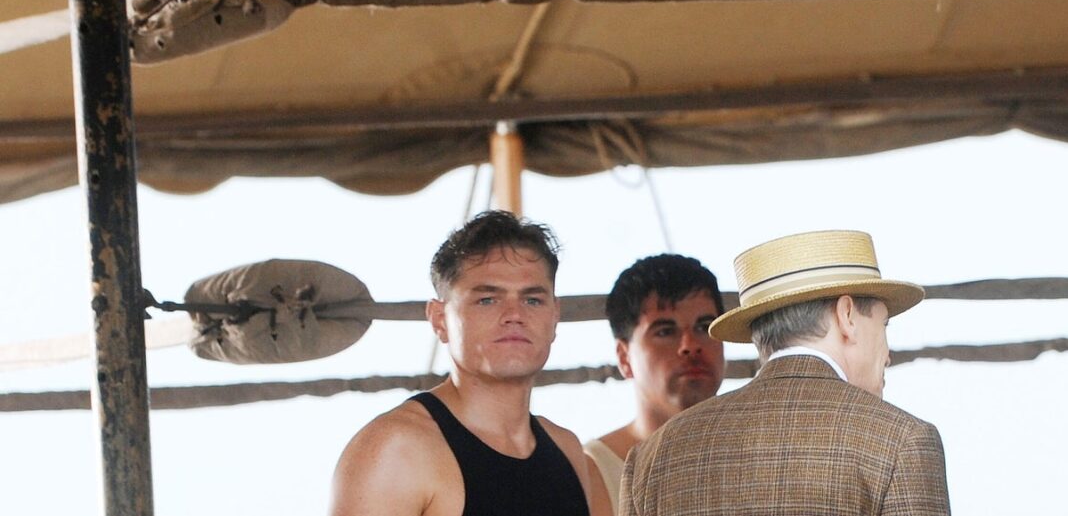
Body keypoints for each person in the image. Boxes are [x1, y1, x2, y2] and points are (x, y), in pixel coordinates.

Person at [621, 230, 950, 516]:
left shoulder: (651, 456)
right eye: (884, 324)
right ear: (847, 315)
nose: (887, 355)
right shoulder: (903, 440)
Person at [330, 211, 599, 516]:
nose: (514, 315)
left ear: (555, 316)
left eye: (532, 300)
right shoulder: (396, 450)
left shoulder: (567, 448)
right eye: (488, 300)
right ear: (439, 319)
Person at [584, 254, 727, 515]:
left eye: (704, 327)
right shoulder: (591, 470)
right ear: (624, 357)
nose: (690, 346)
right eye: (665, 331)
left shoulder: (761, 451)